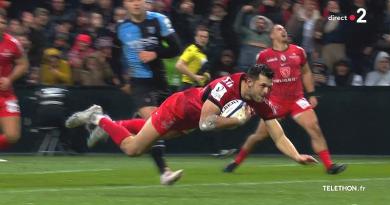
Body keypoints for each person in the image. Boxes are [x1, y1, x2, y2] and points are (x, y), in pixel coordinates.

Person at [65, 65, 318, 177]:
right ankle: (99, 118)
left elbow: (278, 133)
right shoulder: (225, 87)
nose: (267, 92)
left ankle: (107, 122)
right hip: (179, 109)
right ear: (249, 81)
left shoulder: (257, 97)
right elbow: (206, 124)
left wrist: (296, 156)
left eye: (269, 87)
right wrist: (235, 122)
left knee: (144, 130)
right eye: (264, 86)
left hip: (188, 121)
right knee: (133, 149)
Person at [70, 0, 182, 185]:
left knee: (168, 131)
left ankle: (107, 123)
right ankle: (165, 172)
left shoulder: (159, 20)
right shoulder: (121, 28)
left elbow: (176, 48)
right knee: (155, 124)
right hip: (140, 83)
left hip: (161, 82)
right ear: (125, 5)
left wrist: (155, 53)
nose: (136, 3)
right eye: (130, 0)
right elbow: (112, 55)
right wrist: (121, 80)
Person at [224, 25, 346, 175]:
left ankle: (329, 165)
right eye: (278, 29)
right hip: (274, 102)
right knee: (258, 136)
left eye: (284, 29)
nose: (283, 31)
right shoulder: (264, 56)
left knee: (314, 127)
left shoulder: (298, 51)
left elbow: (306, 72)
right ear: (271, 35)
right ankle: (236, 161)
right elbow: (255, 79)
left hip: (296, 99)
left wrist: (311, 93)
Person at [0, 10, 29, 150]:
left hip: (6, 95)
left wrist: (9, 79)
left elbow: (23, 64)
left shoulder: (12, 43)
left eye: (3, 22)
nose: (1, 25)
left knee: (12, 136)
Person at [175, 25, 210, 91]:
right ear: (196, 38)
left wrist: (206, 75)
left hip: (197, 87)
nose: (203, 39)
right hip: (187, 86)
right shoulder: (192, 49)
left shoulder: (203, 53)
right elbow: (179, 65)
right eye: (201, 36)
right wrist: (194, 77)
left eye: (205, 37)